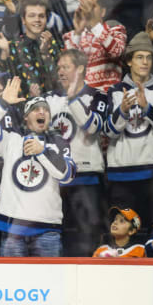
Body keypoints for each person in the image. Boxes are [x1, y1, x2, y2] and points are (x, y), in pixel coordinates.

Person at [0, 77, 77, 257]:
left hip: (47, 229)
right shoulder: (11, 140)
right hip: (13, 228)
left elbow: (67, 175)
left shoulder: (59, 142)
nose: (42, 112)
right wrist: (3, 103)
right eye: (36, 109)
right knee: (13, 281)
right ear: (26, 117)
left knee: (49, 283)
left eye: (45, 109)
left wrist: (42, 152)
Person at [104, 32, 153, 232]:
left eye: (148, 57)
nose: (145, 62)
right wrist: (123, 112)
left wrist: (148, 109)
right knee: (124, 236)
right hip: (121, 177)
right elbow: (108, 132)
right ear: (129, 61)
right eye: (139, 57)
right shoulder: (115, 91)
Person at [45, 49, 109, 256]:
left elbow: (93, 128)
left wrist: (73, 100)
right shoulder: (49, 99)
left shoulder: (97, 96)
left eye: (66, 67)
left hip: (87, 178)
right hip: (57, 180)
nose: (60, 72)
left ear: (80, 69)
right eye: (59, 68)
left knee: (87, 236)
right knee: (58, 235)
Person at [62, 0, 127, 93]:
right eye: (84, 6)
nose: (88, 10)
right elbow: (67, 67)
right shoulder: (72, 36)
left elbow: (116, 52)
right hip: (80, 98)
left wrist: (93, 23)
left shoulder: (115, 30)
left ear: (103, 12)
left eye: (92, 6)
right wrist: (78, 32)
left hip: (108, 98)